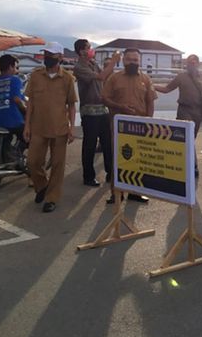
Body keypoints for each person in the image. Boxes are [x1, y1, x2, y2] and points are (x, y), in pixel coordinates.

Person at [24, 42, 78, 213]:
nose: (47, 58)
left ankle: (52, 198)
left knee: (57, 164)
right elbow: (30, 102)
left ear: (60, 57)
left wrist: (71, 127)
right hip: (38, 127)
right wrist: (27, 125)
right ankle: (41, 186)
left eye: (51, 55)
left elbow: (71, 105)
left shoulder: (67, 78)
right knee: (32, 162)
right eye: (46, 54)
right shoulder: (35, 76)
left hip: (60, 128)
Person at [101, 48, 158, 204]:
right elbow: (104, 99)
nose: (132, 62)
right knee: (118, 159)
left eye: (135, 60)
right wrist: (120, 107)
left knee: (138, 159)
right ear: (123, 60)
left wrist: (149, 122)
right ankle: (116, 193)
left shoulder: (146, 79)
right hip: (119, 127)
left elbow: (150, 101)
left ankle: (135, 192)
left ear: (139, 61)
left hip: (140, 127)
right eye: (129, 59)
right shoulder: (114, 78)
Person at [154, 54, 202, 178]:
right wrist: (152, 86)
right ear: (186, 64)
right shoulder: (181, 77)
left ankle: (186, 164)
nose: (192, 64)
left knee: (191, 139)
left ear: (197, 63)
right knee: (188, 137)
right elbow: (167, 89)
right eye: (190, 62)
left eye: (194, 62)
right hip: (184, 110)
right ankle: (193, 166)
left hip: (197, 112)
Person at [72, 39, 115, 187]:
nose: (91, 50)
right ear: (82, 51)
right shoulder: (79, 67)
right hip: (90, 112)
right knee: (90, 145)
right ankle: (88, 177)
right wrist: (114, 62)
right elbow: (101, 77)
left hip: (103, 109)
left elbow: (104, 78)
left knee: (107, 143)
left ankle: (111, 174)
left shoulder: (93, 64)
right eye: (88, 48)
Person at [0, 54, 27, 162]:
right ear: (10, 67)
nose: (16, 70)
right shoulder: (15, 80)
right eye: (15, 67)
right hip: (12, 121)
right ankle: (16, 155)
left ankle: (9, 154)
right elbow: (17, 100)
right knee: (30, 135)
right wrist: (26, 111)